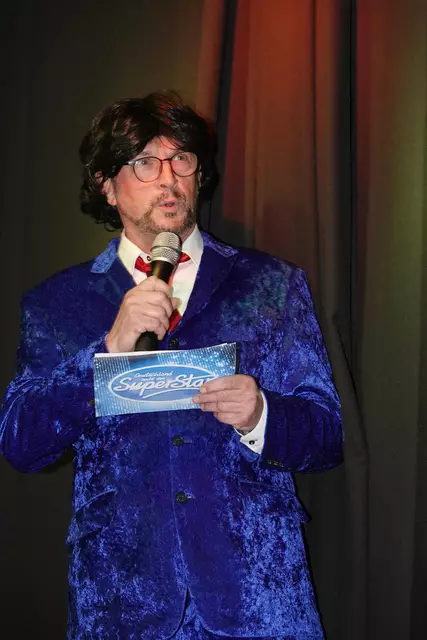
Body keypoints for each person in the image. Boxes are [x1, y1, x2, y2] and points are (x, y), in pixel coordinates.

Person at [0, 92, 343, 640]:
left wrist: (261, 414)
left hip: (258, 601)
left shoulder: (272, 285)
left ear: (199, 174)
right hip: (122, 606)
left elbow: (327, 436)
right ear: (106, 185)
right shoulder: (56, 304)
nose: (168, 178)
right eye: (145, 162)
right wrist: (105, 350)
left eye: (181, 159)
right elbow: (22, 442)